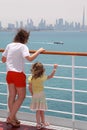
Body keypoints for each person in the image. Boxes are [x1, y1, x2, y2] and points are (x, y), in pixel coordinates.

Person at [1, 29, 45, 127]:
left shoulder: (9, 45)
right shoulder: (23, 46)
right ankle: (11, 117)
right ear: (25, 38)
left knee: (12, 96)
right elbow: (29, 59)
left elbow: (3, 60)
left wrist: (12, 57)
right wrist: (38, 51)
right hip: (18, 74)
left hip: (9, 74)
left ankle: (13, 118)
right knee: (21, 96)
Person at [28, 62, 58, 129]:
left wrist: (32, 94)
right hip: (41, 95)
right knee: (42, 109)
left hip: (35, 95)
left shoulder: (31, 78)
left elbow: (29, 87)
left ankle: (38, 123)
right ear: (42, 70)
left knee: (38, 110)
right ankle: (43, 122)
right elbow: (51, 76)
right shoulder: (42, 77)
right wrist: (55, 68)